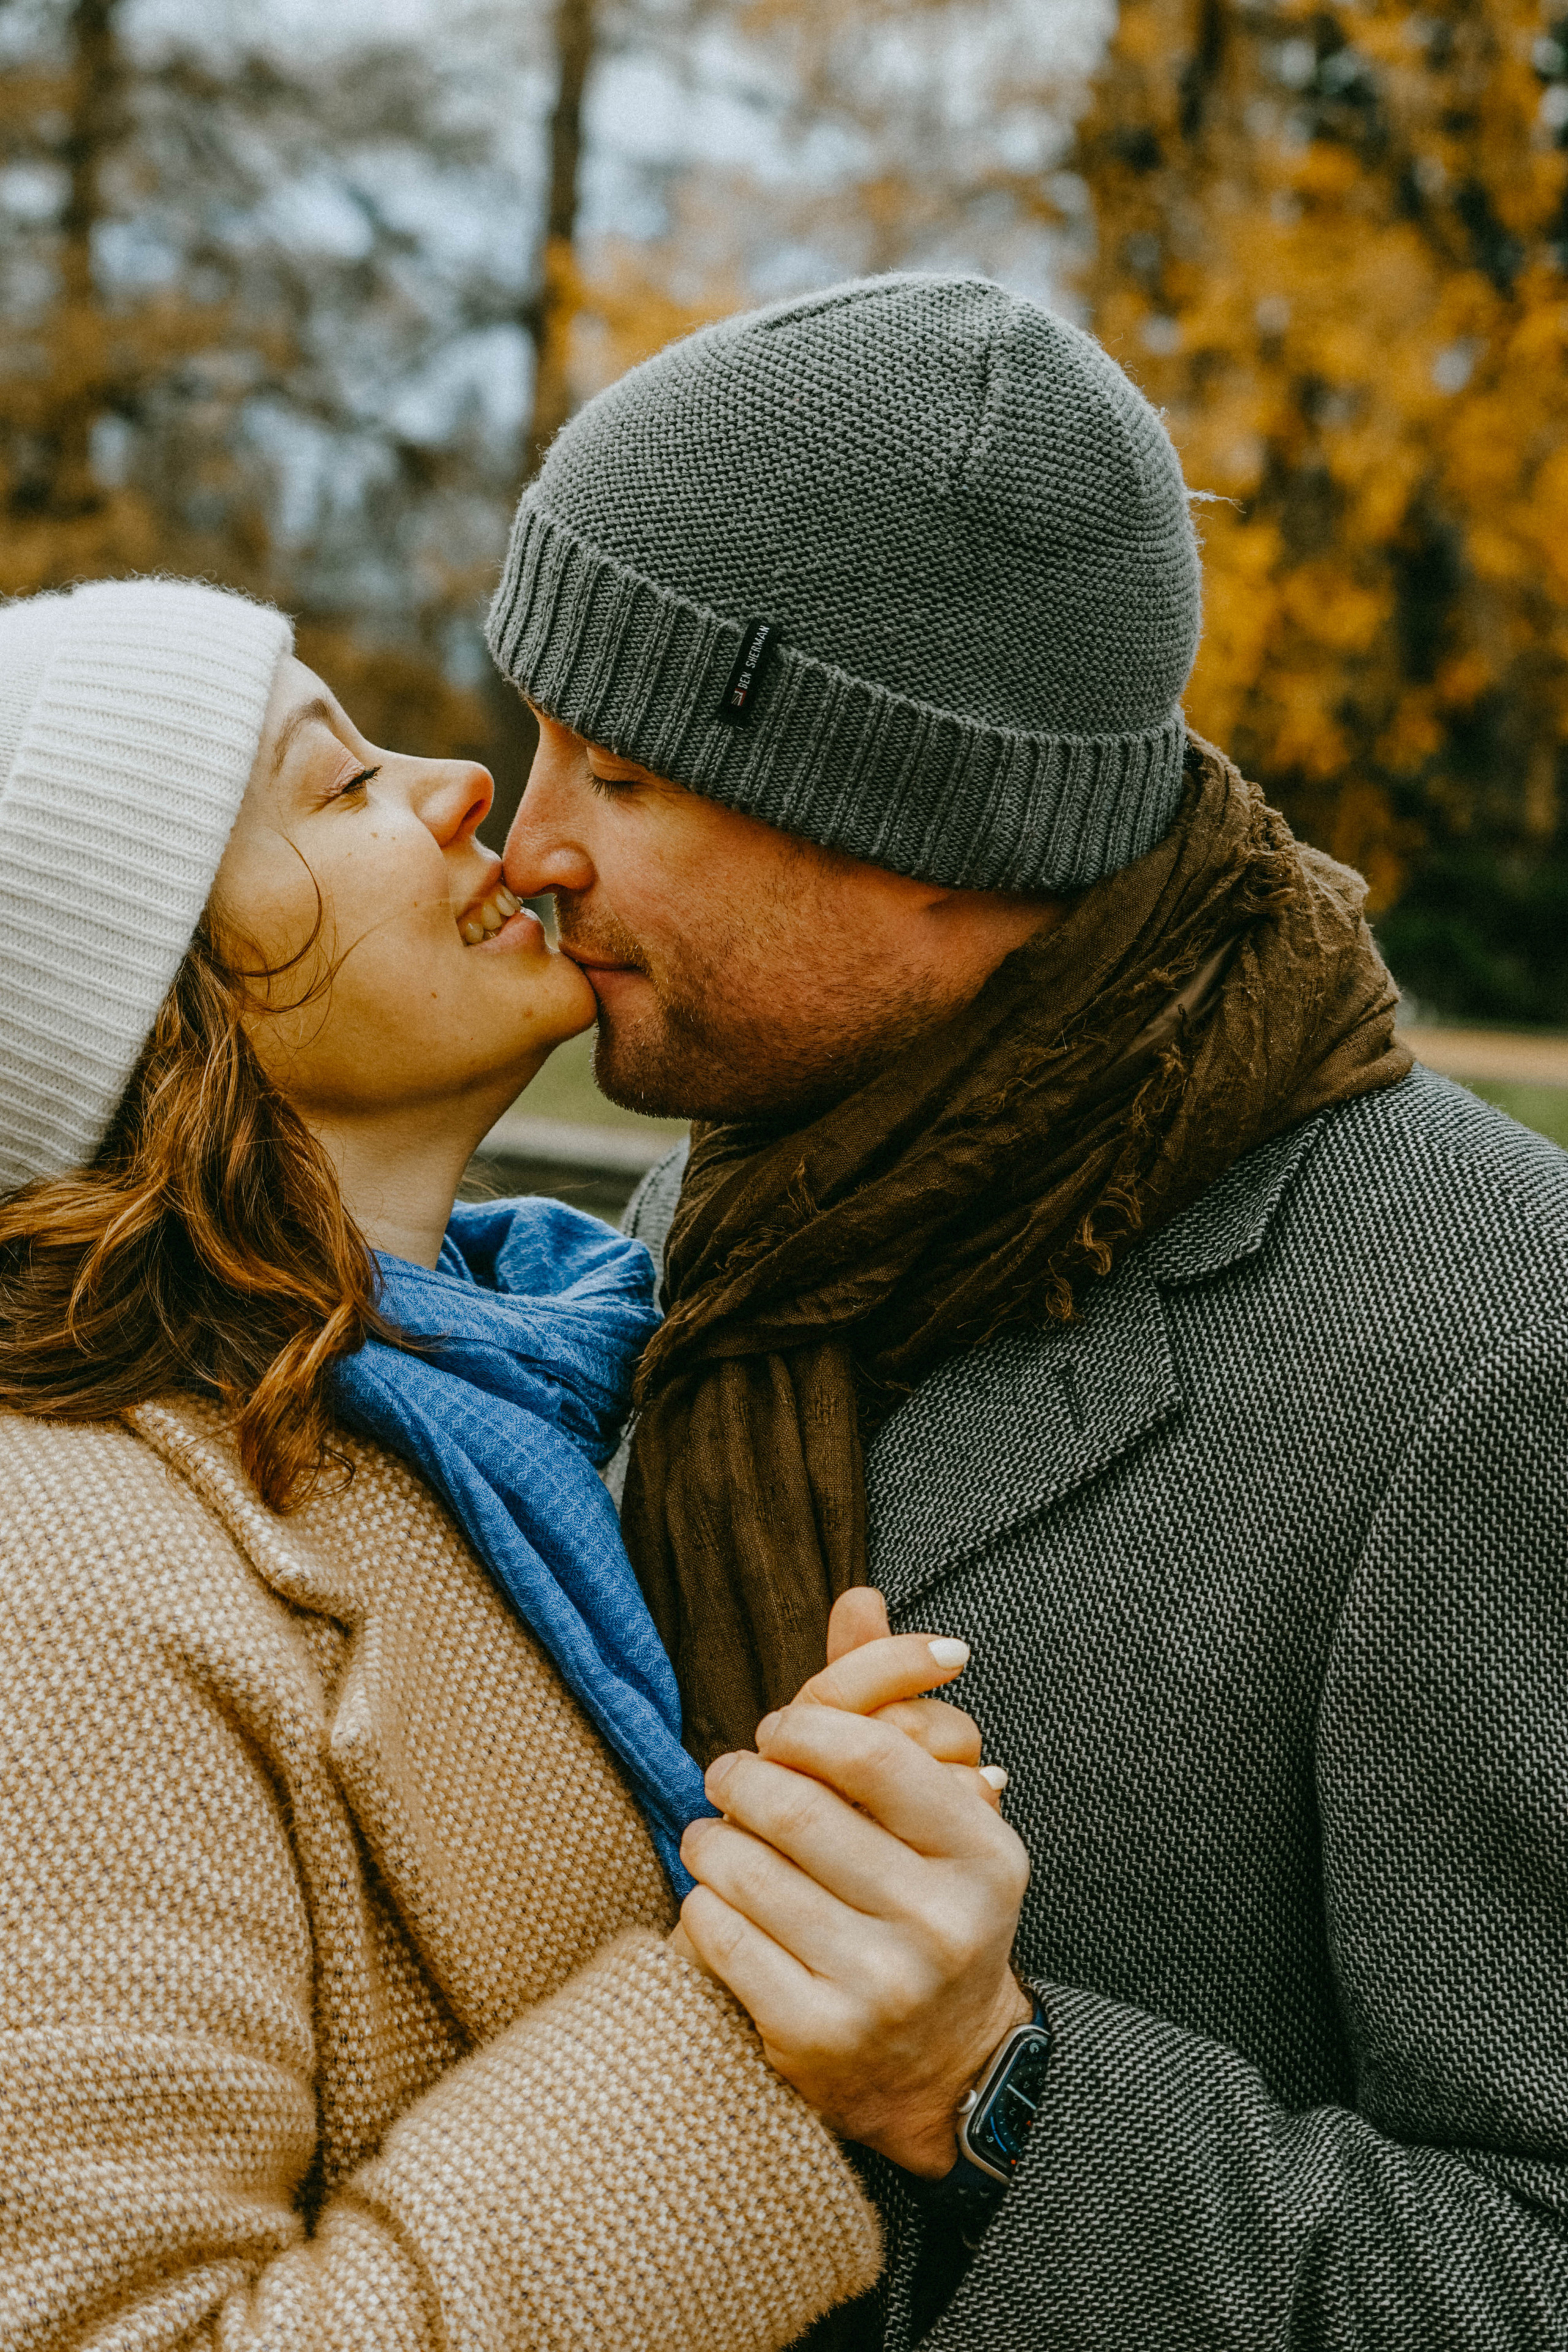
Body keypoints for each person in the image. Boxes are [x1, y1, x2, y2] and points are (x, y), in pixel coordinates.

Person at [490, 272, 1568, 2348]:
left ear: (931, 836)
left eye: (617, 774)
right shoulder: (769, 1198)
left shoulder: (1495, 1348)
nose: (529, 845)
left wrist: (994, 2096)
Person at [0, 575, 1031, 2351]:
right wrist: (766, 2007)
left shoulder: (561, 1369)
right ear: (157, 1013)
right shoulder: (68, 1575)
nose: (461, 786)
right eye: (336, 787)